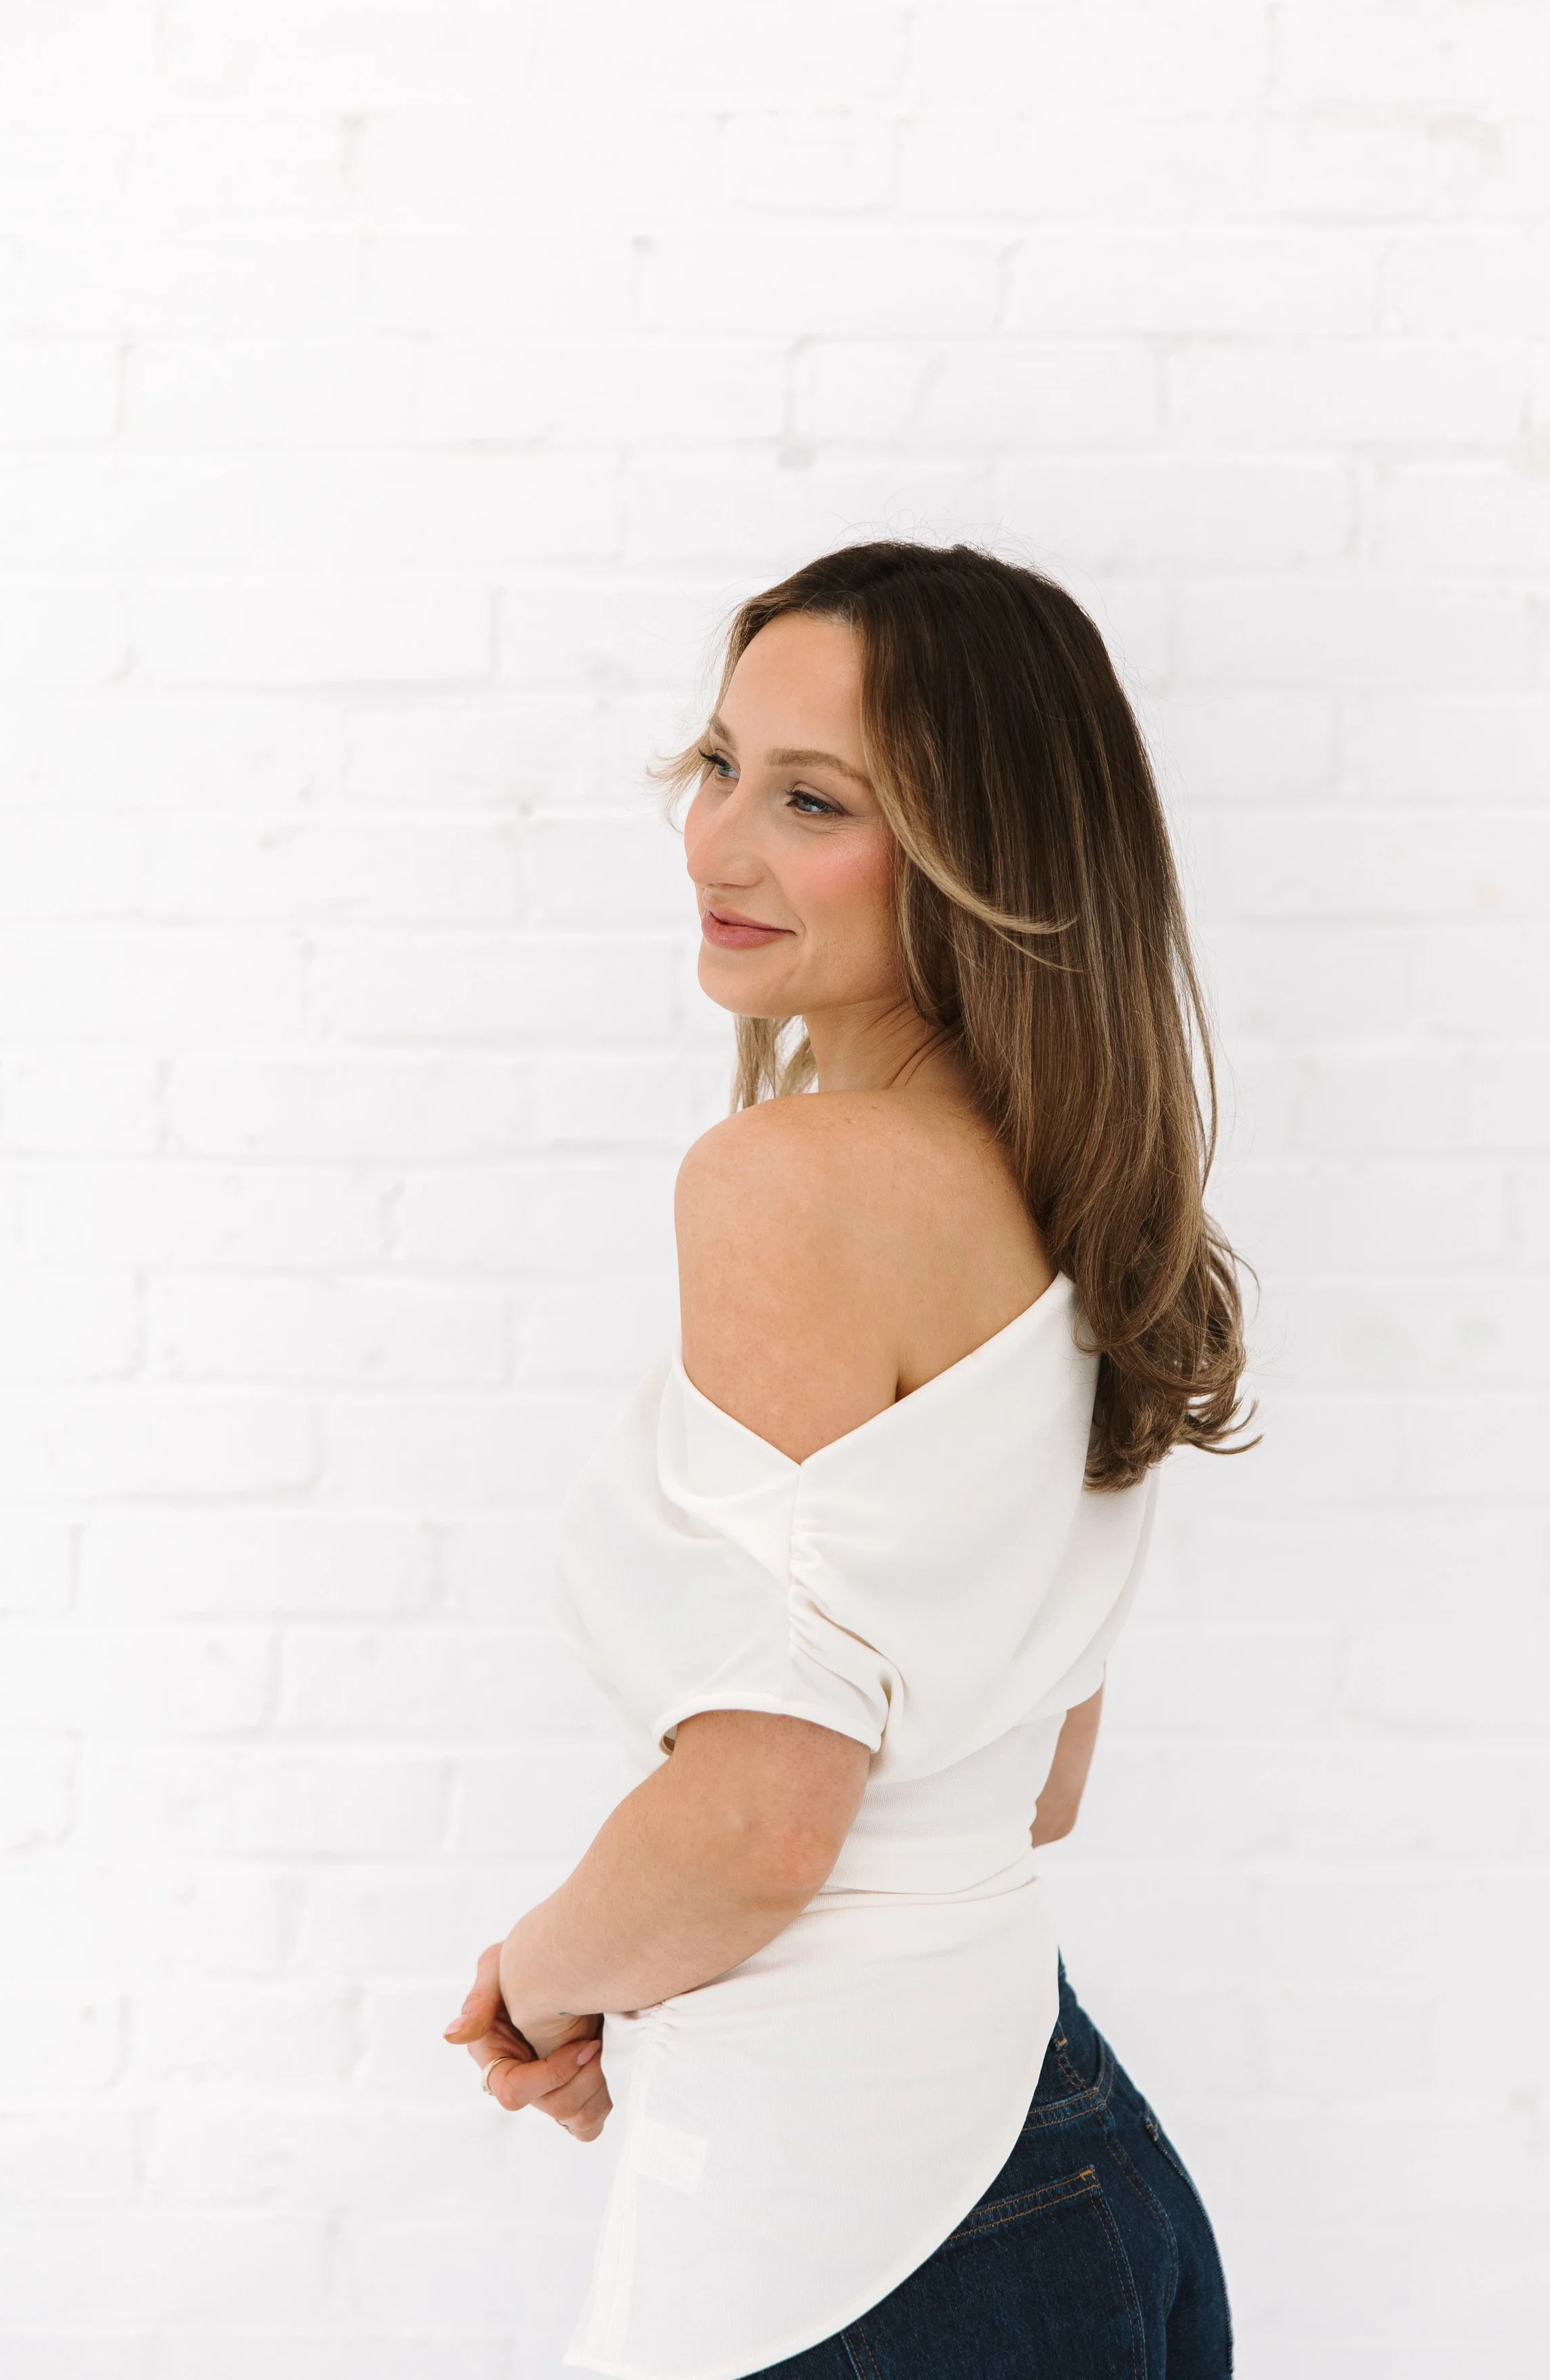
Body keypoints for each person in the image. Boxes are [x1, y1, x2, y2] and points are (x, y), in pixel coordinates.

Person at [443, 541, 1251, 2378]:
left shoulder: (789, 1182)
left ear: (984, 854)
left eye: (813, 802)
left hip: (859, 2239)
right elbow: (1033, 1783)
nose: (716, 846)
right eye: (718, 766)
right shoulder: (1075, 1194)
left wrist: (543, 1980)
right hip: (1067, 2170)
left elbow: (759, 1825)